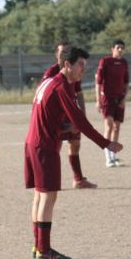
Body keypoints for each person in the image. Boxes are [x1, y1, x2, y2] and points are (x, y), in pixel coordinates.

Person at [25, 46, 123, 259]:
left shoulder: (49, 81)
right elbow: (80, 121)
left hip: (34, 142)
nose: (83, 70)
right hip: (44, 146)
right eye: (80, 65)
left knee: (40, 195)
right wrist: (106, 143)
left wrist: (61, 128)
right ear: (67, 64)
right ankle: (44, 250)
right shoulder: (61, 86)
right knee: (49, 196)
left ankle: (38, 246)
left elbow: (42, 113)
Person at [42, 42, 97, 189]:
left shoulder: (73, 70)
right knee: (55, 147)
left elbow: (79, 93)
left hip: (71, 114)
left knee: (75, 144)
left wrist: (82, 115)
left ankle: (78, 179)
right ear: (56, 54)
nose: (64, 55)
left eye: (66, 52)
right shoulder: (51, 72)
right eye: (61, 52)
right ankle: (49, 180)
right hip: (58, 117)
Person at [95, 39, 129, 167]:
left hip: (119, 99)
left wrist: (124, 99)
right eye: (118, 47)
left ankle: (114, 156)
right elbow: (98, 82)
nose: (120, 50)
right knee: (108, 127)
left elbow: (126, 83)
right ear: (112, 49)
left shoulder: (124, 63)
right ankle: (108, 158)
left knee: (116, 127)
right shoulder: (105, 62)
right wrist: (98, 100)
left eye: (122, 48)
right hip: (107, 99)